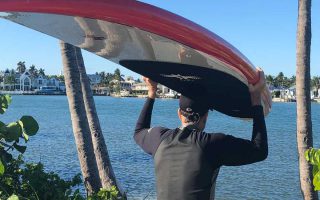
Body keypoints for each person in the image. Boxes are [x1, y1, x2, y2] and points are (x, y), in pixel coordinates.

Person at [134, 68, 268, 200]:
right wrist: (256, 98)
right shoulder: (212, 145)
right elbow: (259, 150)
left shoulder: (159, 138)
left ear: (179, 114)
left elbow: (139, 131)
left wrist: (152, 92)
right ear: (206, 117)